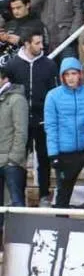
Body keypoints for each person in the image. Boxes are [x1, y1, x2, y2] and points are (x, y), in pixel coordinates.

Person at [43, 57, 84, 209]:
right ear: (62, 77)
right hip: (65, 152)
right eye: (67, 74)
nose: (71, 77)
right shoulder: (52, 96)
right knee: (64, 193)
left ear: (80, 75)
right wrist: (53, 154)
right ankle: (60, 222)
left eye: (74, 73)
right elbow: (51, 127)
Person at [4, 31, 58, 207]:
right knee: (19, 160)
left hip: (42, 119)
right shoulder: (13, 65)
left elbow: (54, 92)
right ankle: (19, 196)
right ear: (26, 44)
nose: (41, 46)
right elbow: (7, 92)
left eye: (41, 42)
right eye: (37, 43)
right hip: (20, 121)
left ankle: (44, 195)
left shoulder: (49, 65)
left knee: (44, 158)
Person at [0, 67, 29, 230]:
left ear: (4, 79)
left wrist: (14, 159)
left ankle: (19, 241)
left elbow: (21, 131)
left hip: (11, 162)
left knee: (16, 203)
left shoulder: (17, 99)